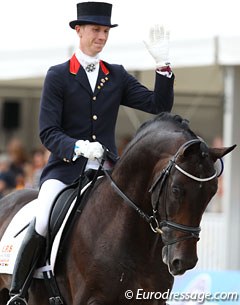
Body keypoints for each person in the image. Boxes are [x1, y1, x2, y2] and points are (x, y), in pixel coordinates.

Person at [7, 2, 175, 305]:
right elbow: (47, 132)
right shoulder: (58, 75)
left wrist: (163, 68)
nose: (101, 36)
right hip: (65, 171)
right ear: (79, 30)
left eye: (106, 31)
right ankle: (19, 291)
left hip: (108, 170)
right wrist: (77, 147)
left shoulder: (116, 75)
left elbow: (158, 107)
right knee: (43, 219)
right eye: (96, 30)